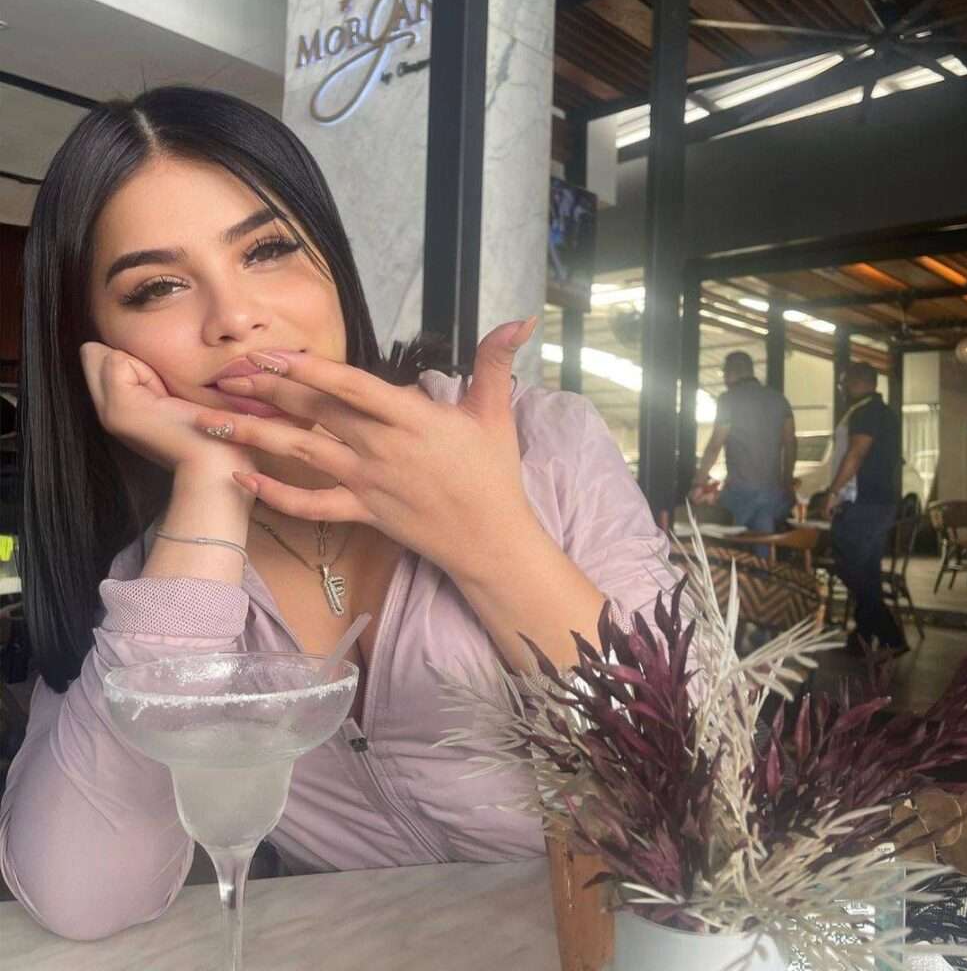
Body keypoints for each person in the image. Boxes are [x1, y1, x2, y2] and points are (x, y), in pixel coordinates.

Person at [0, 86, 677, 940]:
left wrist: (486, 533)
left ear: (331, 258)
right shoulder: (152, 577)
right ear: (96, 344)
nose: (236, 316)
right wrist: (210, 477)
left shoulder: (544, 447)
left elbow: (705, 786)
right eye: (159, 287)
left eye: (268, 249)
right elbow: (80, 897)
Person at [824, 362, 907, 654]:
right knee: (866, 569)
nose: (842, 389)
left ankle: (888, 633)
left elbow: (857, 453)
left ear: (856, 381)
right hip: (880, 501)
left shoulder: (866, 412)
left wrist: (833, 493)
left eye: (843, 382)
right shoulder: (884, 413)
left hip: (863, 503)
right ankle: (864, 634)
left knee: (848, 564)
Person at [690, 351, 796, 541]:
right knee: (763, 547)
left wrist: (698, 483)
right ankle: (761, 570)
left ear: (730, 372)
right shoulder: (779, 400)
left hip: (740, 493)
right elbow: (790, 443)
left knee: (725, 544)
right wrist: (786, 480)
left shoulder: (728, 400)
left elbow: (715, 445)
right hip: (772, 492)